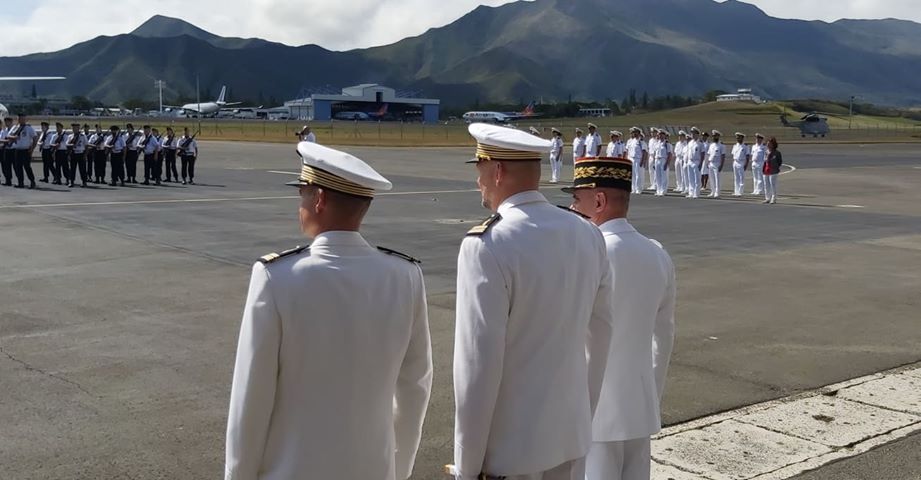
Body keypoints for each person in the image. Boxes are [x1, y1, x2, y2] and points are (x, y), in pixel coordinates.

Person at [226, 141, 432, 480]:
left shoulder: (276, 276)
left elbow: (252, 395)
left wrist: (238, 474)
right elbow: (415, 385)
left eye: (303, 194)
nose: (300, 205)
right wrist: (398, 467)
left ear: (319, 199)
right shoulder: (405, 275)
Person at [452, 123, 614, 480]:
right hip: (569, 438)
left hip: (510, 452)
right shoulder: (587, 232)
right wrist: (581, 417)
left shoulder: (487, 244)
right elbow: (600, 338)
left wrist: (467, 466)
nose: (478, 180)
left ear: (497, 170)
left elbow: (477, 367)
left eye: (479, 168)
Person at [566, 157, 676, 480]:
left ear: (598, 201)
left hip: (593, 413)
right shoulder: (658, 254)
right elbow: (663, 338)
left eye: (577, 199)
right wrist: (650, 396)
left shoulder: (591, 254)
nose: (572, 208)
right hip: (640, 409)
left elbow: (572, 337)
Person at [8, 113, 39, 189]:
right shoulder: (15, 127)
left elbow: (35, 138)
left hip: (26, 150)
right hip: (17, 150)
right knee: (18, 167)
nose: (20, 120)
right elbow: (8, 136)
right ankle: (20, 182)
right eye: (19, 119)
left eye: (22, 119)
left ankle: (32, 181)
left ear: (25, 119)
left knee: (27, 167)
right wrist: (13, 137)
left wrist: (32, 148)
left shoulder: (28, 128)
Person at [625, 127, 647, 195]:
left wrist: (642, 161)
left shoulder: (641, 142)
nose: (634, 133)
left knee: (638, 175)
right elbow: (628, 151)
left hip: (638, 159)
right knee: (633, 175)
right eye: (633, 132)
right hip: (631, 159)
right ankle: (633, 188)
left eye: (636, 132)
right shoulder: (632, 141)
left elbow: (644, 152)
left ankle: (638, 189)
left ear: (639, 133)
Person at [66, 123, 88, 188]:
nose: (74, 129)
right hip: (73, 153)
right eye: (73, 128)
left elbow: (86, 145)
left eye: (76, 128)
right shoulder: (70, 136)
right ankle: (71, 182)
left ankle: (84, 182)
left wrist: (85, 155)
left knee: (82, 169)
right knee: (72, 169)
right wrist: (71, 145)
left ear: (78, 128)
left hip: (81, 153)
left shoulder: (83, 136)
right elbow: (67, 144)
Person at [685, 128, 704, 199]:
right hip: (690, 161)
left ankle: (696, 193)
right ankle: (691, 192)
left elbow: (702, 154)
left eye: (694, 133)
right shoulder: (690, 143)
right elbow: (688, 153)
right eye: (692, 133)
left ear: (697, 134)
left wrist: (701, 163)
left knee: (697, 179)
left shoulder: (700, 143)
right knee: (690, 178)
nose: (692, 134)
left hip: (696, 161)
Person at [763, 136, 783, 204]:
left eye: (770, 144)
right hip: (766, 170)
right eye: (767, 143)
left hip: (773, 170)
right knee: (766, 185)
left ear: (773, 144)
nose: (768, 145)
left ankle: (773, 198)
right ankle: (767, 198)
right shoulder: (766, 152)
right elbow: (765, 161)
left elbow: (779, 162)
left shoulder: (777, 153)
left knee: (772, 184)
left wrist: (776, 167)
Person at [731, 132, 751, 197]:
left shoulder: (745, 146)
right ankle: (736, 191)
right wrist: (734, 162)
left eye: (739, 138)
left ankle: (740, 191)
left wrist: (746, 164)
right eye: (737, 138)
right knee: (736, 177)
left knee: (741, 177)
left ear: (742, 138)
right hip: (735, 162)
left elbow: (747, 156)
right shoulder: (735, 146)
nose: (737, 139)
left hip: (741, 162)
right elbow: (733, 154)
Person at [706, 130, 725, 198]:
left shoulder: (721, 146)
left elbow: (723, 156)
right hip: (711, 163)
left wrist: (721, 165)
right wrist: (707, 162)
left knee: (717, 179)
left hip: (717, 163)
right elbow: (709, 154)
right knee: (711, 178)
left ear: (718, 136)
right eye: (713, 136)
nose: (714, 137)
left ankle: (717, 192)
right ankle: (713, 191)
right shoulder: (711, 145)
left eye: (715, 136)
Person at [652, 130, 671, 197]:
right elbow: (655, 153)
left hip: (663, 160)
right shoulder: (657, 143)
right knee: (658, 176)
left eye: (662, 134)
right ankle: (658, 190)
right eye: (659, 134)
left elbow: (669, 154)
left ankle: (663, 191)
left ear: (664, 135)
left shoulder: (667, 144)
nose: (660, 136)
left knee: (664, 176)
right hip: (657, 160)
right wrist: (654, 163)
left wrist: (667, 163)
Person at [0, 117, 13, 185]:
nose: (6, 123)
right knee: (6, 166)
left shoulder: (14, 130)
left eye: (7, 122)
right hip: (5, 149)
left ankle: (20, 181)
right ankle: (8, 180)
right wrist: (7, 141)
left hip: (13, 149)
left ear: (11, 122)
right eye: (5, 122)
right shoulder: (4, 131)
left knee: (16, 166)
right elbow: (0, 139)